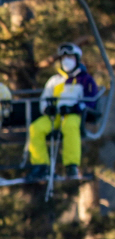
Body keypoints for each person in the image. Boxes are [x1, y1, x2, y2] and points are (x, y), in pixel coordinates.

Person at [27, 43, 99, 181]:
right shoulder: (55, 80)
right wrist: (47, 108)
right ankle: (41, 165)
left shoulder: (85, 79)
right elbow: (45, 98)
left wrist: (76, 108)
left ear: (77, 59)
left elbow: (91, 100)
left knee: (70, 127)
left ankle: (71, 165)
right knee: (36, 128)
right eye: (64, 57)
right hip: (56, 115)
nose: (66, 60)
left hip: (74, 115)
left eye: (70, 57)